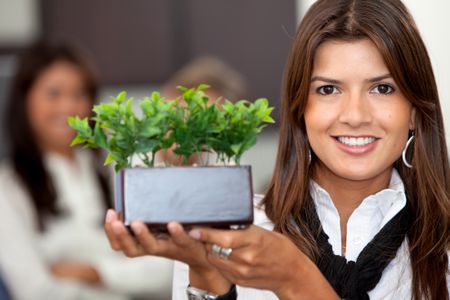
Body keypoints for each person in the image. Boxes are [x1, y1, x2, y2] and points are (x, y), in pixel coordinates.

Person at [104, 0, 450, 299]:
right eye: (328, 90)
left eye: (382, 88)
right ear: (300, 109)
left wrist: (294, 277)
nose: (355, 116)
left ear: (415, 112)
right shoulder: (240, 234)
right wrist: (206, 273)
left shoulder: (443, 245)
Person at [0, 40, 172, 300]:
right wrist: (126, 275)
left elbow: (166, 270)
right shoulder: (9, 187)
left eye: (79, 94)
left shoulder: (119, 165)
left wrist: (94, 273)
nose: (68, 107)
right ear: (24, 99)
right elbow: (35, 291)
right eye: (54, 94)